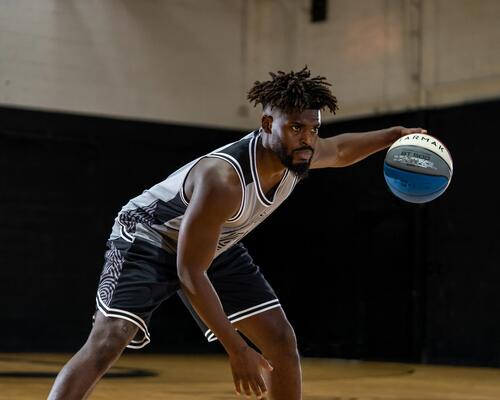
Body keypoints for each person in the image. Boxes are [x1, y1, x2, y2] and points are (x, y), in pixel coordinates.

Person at [48, 67, 427, 400]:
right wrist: (237, 349)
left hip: (215, 241)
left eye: (313, 129)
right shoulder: (224, 179)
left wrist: (392, 135)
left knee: (280, 341)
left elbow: (341, 150)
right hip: (147, 235)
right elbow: (190, 271)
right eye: (296, 127)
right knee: (109, 338)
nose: (307, 139)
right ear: (266, 125)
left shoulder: (298, 156)